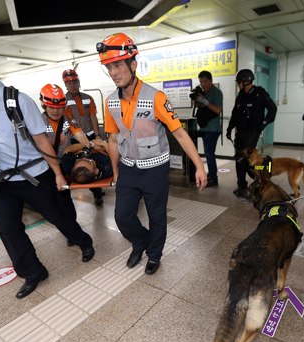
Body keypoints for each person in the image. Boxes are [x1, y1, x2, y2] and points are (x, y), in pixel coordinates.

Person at [0, 52, 95, 299]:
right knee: (9, 230)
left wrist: (58, 175)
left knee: (58, 216)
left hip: (34, 176)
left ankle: (84, 242)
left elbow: (41, 140)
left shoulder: (17, 101)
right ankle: (33, 272)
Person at [98, 33, 207, 275]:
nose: (114, 72)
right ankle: (140, 242)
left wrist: (199, 166)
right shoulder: (110, 102)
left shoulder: (156, 98)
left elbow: (180, 134)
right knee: (122, 216)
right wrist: (116, 170)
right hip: (128, 168)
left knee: (157, 216)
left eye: (118, 64)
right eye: (109, 67)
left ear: (133, 65)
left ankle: (154, 254)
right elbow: (113, 139)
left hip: (155, 169)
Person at [40, 83, 105, 206]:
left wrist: (88, 146)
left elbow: (81, 136)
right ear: (44, 106)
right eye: (51, 107)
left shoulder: (68, 119)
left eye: (59, 107)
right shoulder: (37, 122)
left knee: (65, 198)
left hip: (62, 163)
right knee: (49, 198)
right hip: (45, 167)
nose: (56, 111)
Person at [226, 69, 277, 199]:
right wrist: (229, 128)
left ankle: (260, 184)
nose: (238, 85)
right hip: (240, 132)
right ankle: (242, 186)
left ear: (245, 81)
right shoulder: (240, 96)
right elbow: (234, 114)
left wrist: (264, 123)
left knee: (247, 159)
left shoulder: (260, 94)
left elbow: (273, 109)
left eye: (239, 82)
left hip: (253, 132)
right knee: (239, 159)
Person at [62, 69, 107, 200]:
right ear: (65, 85)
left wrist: (97, 136)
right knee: (84, 165)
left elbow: (93, 116)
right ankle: (97, 193)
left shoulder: (88, 98)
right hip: (75, 140)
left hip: (91, 135)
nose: (73, 85)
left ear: (79, 82)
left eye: (75, 82)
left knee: (95, 162)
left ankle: (98, 188)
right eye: (69, 83)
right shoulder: (63, 101)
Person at [195, 70, 223, 187]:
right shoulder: (203, 92)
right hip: (203, 128)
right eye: (201, 82)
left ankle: (213, 177)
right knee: (207, 153)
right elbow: (197, 106)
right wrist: (197, 98)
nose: (203, 84)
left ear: (211, 80)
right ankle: (209, 174)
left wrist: (205, 101)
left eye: (205, 81)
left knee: (209, 153)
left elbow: (217, 110)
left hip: (212, 129)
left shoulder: (216, 92)